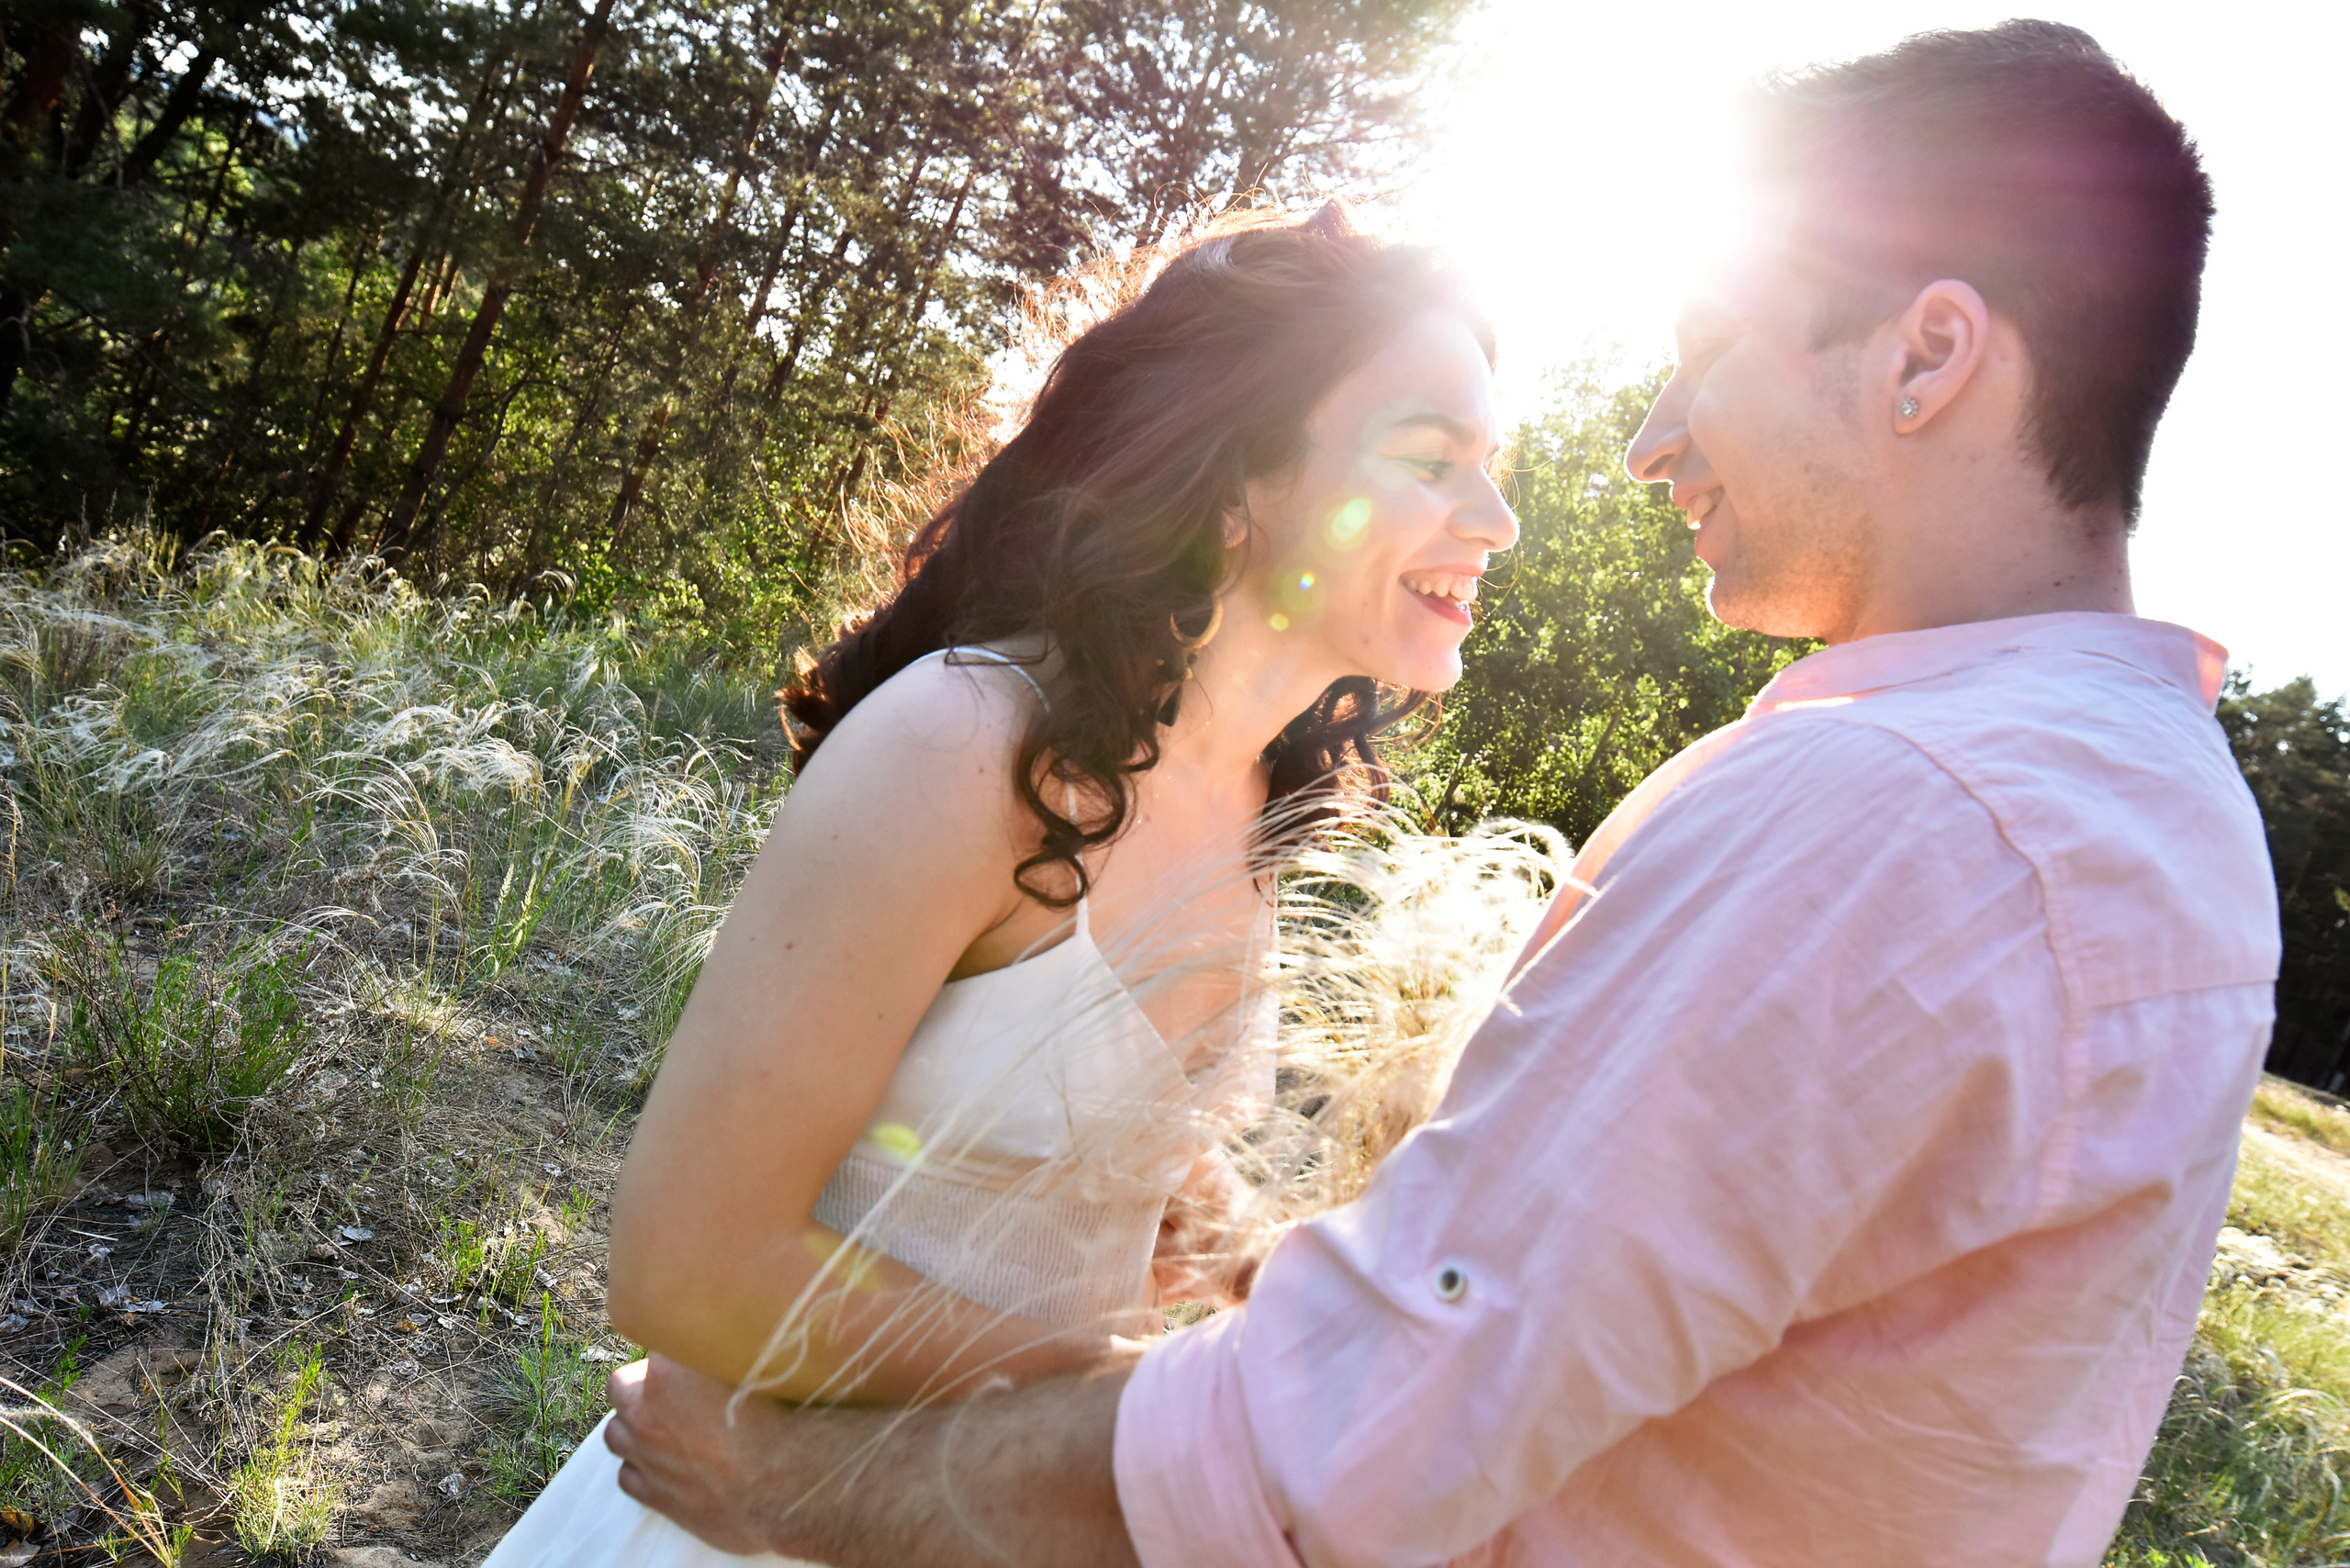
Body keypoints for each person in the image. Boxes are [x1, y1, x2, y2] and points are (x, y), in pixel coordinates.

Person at [599, 20, 2284, 1568]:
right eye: (1433, 456)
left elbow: (1354, 1420)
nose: (1643, 445)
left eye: (1709, 348)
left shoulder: (1895, 809)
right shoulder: (2160, 821)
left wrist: (835, 1478)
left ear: (1928, 358)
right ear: (1241, 482)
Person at [480, 205, 1519, 1566]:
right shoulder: (965, 744)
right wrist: (1138, 1401)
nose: (1497, 522)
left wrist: (1276, 1289)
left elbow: (1102, 1145)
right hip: (750, 1510)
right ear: (1236, 484)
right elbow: (686, 1265)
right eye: (1434, 459)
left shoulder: (1263, 806)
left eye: (1492, 468)